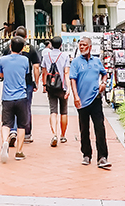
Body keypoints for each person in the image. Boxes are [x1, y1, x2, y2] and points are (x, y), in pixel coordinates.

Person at [70, 36, 110, 169]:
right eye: (80, 45)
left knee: (100, 128)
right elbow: (72, 80)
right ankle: (86, 154)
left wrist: (103, 82)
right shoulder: (75, 62)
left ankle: (102, 157)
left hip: (96, 99)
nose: (81, 47)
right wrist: (76, 96)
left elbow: (104, 73)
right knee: (84, 128)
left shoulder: (97, 61)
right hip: (82, 101)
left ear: (90, 47)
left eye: (84, 45)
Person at [0, 37, 31, 162]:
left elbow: (1, 74)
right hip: (21, 96)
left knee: (6, 123)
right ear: (22, 48)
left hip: (7, 97)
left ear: (10, 46)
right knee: (22, 125)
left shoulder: (3, 60)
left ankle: (5, 142)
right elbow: (26, 73)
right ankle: (19, 151)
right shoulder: (25, 60)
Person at [11, 27, 41, 145]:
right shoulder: (31, 49)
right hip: (26, 81)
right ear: (26, 37)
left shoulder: (10, 48)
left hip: (12, 81)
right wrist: (36, 82)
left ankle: (13, 130)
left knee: (12, 106)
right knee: (26, 107)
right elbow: (36, 67)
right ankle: (27, 133)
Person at [41, 36, 71, 146]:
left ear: (51, 44)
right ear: (61, 45)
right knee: (64, 111)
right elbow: (66, 73)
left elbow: (44, 71)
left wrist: (44, 85)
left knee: (53, 110)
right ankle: (63, 135)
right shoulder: (64, 56)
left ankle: (54, 134)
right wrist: (68, 88)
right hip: (62, 87)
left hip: (51, 86)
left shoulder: (46, 55)